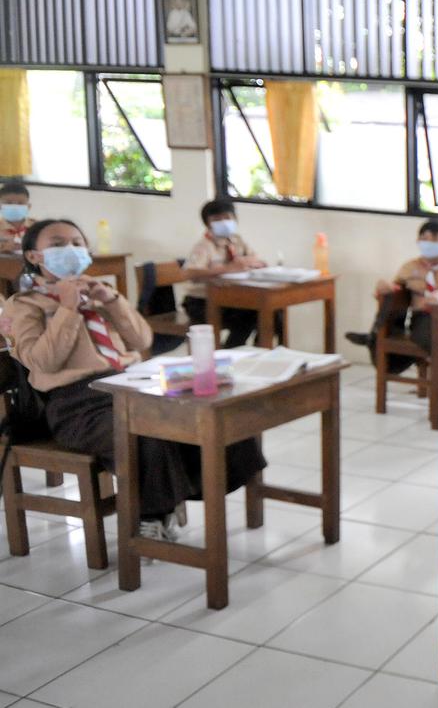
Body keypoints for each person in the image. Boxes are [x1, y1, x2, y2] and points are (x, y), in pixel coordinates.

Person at [4, 219, 267, 541]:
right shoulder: (25, 305)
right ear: (34, 257)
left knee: (211, 415)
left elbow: (141, 340)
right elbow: (43, 361)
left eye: (77, 242)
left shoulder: (98, 292)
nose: (70, 250)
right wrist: (68, 309)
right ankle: (152, 515)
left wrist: (112, 302)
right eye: (57, 244)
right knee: (144, 433)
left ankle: (176, 494)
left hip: (129, 384)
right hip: (77, 403)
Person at [345, 219, 438, 406]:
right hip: (423, 318)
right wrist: (383, 287)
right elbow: (393, 289)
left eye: (434, 240)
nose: (427, 244)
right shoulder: (410, 266)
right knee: (434, 337)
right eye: (423, 239)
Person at [181, 199, 271, 348]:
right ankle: (231, 351)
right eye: (217, 219)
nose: (223, 222)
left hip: (230, 298)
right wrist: (228, 268)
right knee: (248, 315)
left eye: (227, 218)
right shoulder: (204, 246)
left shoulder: (236, 240)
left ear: (235, 219)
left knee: (268, 312)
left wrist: (250, 262)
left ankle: (259, 351)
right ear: (207, 224)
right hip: (202, 302)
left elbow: (256, 260)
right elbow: (189, 273)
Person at [0, 182, 34, 253]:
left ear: (28, 206)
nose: (15, 207)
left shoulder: (38, 227)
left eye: (20, 203)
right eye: (9, 203)